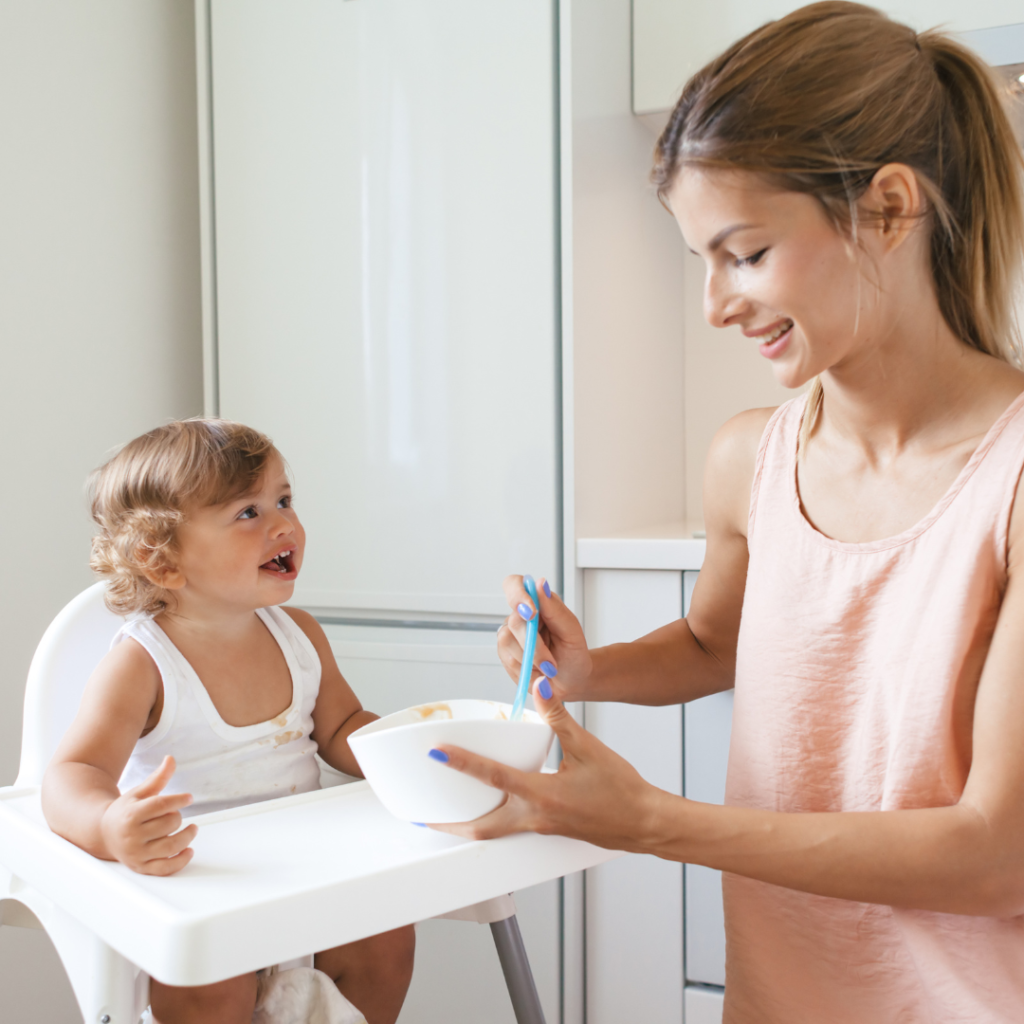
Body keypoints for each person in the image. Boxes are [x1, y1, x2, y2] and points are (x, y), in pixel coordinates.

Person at [427, 3, 1024, 1021]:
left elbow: (991, 854)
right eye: (699, 260)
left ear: (886, 209)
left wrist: (652, 821)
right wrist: (593, 671)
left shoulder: (1006, 476)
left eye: (742, 253)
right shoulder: (748, 457)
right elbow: (716, 641)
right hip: (778, 994)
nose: (713, 303)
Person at [42, 419, 415, 1024]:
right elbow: (73, 771)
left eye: (284, 500)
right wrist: (109, 826)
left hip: (299, 867)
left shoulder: (300, 638)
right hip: (196, 882)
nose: (284, 524)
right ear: (159, 559)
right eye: (248, 512)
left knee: (387, 938)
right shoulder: (143, 663)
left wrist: (407, 752)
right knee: (208, 985)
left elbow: (342, 724)